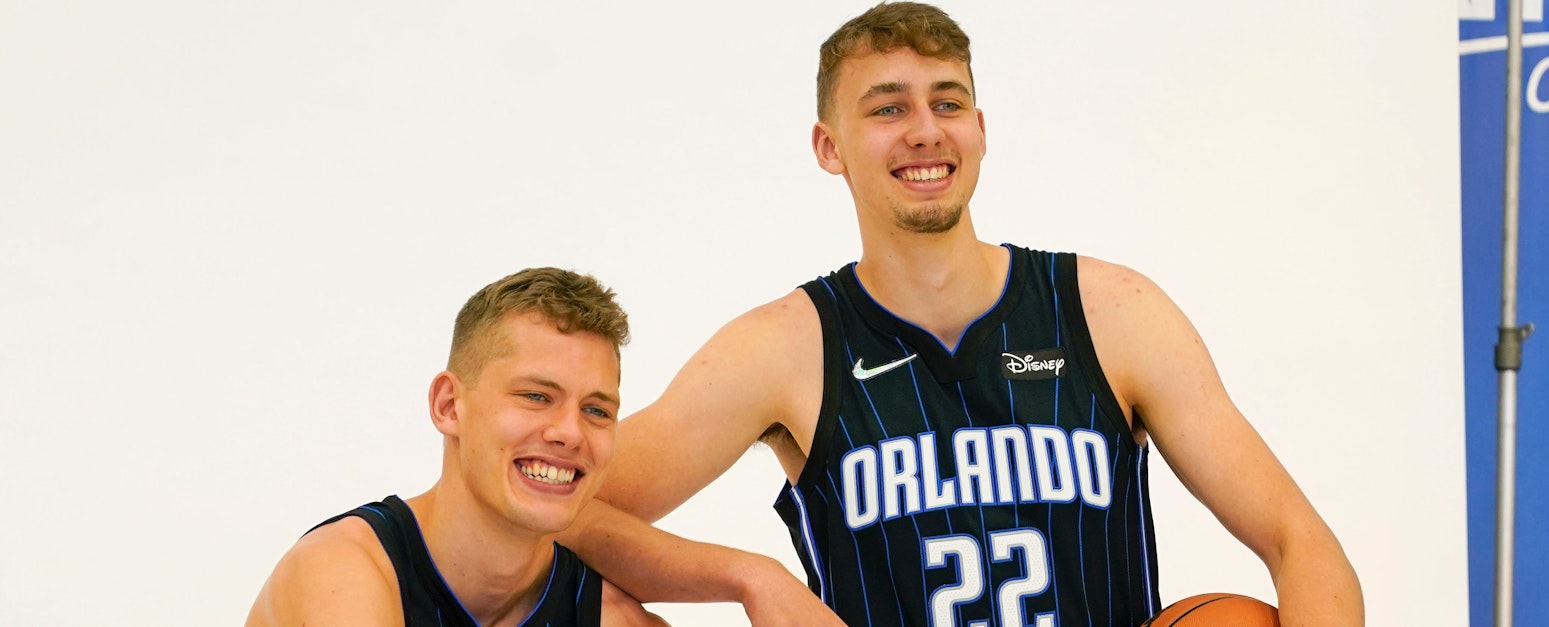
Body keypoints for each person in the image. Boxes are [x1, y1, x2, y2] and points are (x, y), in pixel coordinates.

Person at [561, 3, 1364, 625]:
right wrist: (746, 578)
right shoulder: (784, 348)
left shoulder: (1113, 312)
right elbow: (560, 506)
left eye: (948, 102)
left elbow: (1303, 542)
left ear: (979, 129)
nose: (924, 131)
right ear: (829, 146)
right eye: (886, 108)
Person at [246, 267, 666, 627]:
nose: (571, 433)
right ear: (449, 406)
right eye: (536, 396)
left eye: (596, 410)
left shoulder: (614, 618)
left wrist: (734, 574)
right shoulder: (340, 572)